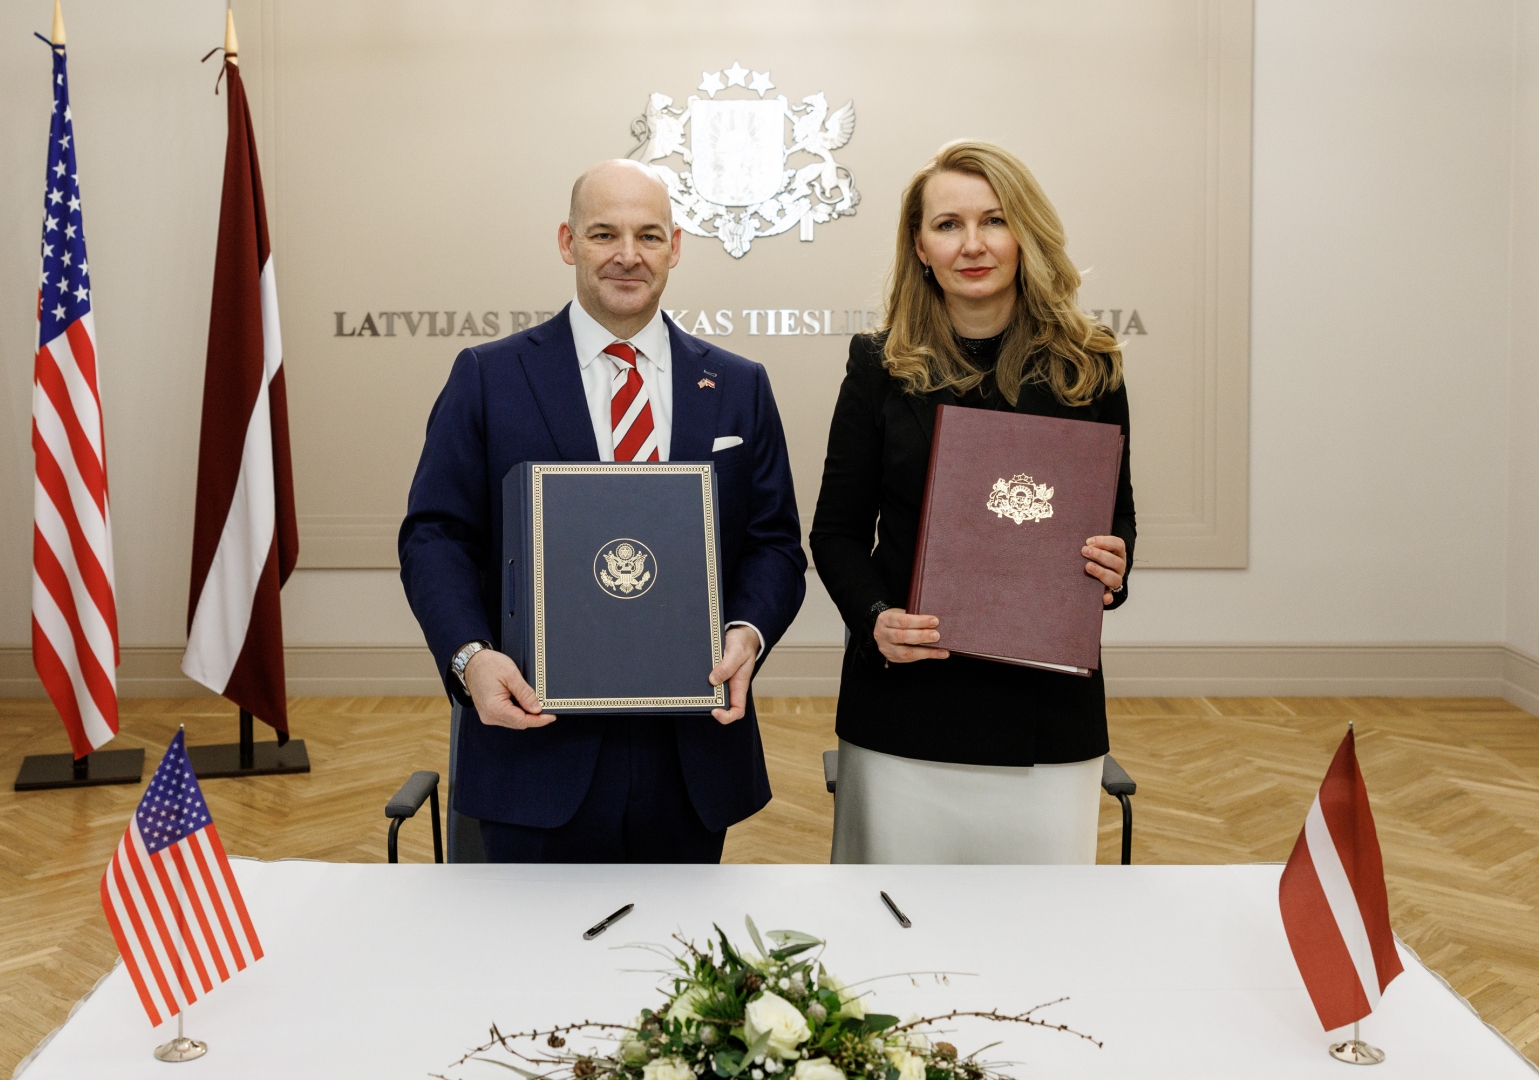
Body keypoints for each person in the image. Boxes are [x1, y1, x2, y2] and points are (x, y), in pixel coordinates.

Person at [399, 160, 806, 864]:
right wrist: (469, 657)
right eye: (603, 234)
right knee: (535, 938)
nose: (627, 255)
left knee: (677, 937)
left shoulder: (739, 384)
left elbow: (774, 543)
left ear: (674, 248)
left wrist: (747, 633)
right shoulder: (489, 376)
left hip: (690, 756)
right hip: (536, 749)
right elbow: (435, 536)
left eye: (648, 235)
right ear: (568, 242)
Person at [809, 141, 1136, 864]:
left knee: (1040, 923)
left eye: (993, 220)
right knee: (889, 921)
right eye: (948, 225)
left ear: (1025, 232)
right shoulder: (877, 365)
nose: (972, 244)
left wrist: (1115, 565)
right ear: (919, 246)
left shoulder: (1089, 364)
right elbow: (834, 533)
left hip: (1046, 716)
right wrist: (875, 618)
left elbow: (1119, 516)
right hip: (904, 704)